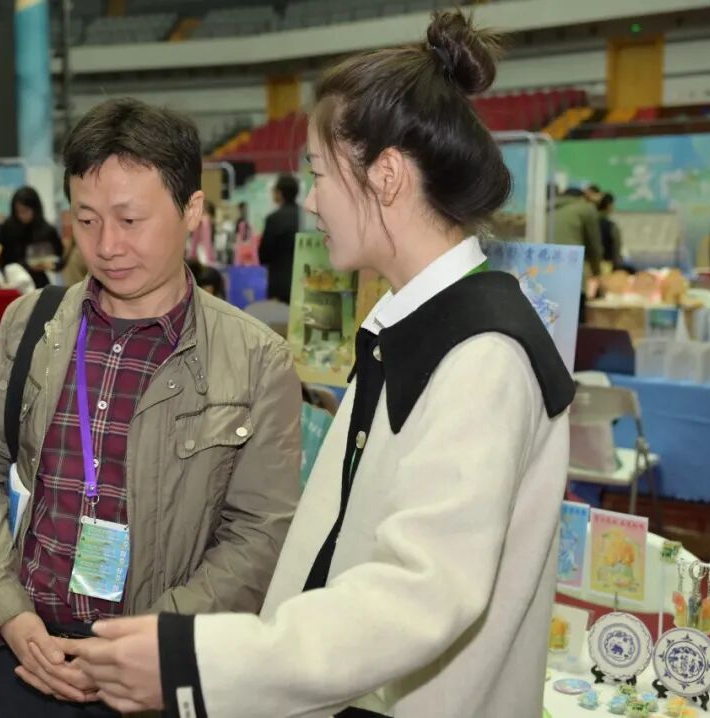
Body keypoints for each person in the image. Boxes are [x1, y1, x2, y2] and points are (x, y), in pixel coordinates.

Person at [58, 11, 576, 718]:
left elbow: (418, 595)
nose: (310, 199)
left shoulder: (482, 354)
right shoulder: (413, 326)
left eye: (319, 173)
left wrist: (197, 660)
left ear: (386, 175)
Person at [0, 97, 302, 718]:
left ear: (192, 209)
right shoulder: (31, 325)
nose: (106, 245)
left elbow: (258, 533)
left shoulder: (255, 360)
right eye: (86, 220)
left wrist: (151, 644)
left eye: (130, 220)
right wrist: (6, 611)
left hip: (157, 677)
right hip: (28, 659)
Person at [553, 186, 603, 322]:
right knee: (575, 324)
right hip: (572, 274)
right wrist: (597, 273)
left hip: (545, 275)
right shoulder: (585, 209)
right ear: (583, 197)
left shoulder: (547, 208)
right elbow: (594, 245)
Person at [0, 186, 63, 287]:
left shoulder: (47, 230)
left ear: (35, 209)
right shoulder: (8, 227)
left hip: (39, 282)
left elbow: (59, 260)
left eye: (25, 211)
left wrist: (49, 265)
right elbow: (2, 259)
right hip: (13, 282)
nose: (21, 215)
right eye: (18, 212)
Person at [259, 174, 301, 302]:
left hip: (279, 283)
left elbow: (264, 255)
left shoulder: (273, 219)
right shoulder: (305, 217)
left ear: (280, 193)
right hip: (302, 279)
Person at [597, 192, 623, 268]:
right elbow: (616, 249)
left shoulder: (588, 222)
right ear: (609, 206)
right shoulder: (611, 226)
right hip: (606, 265)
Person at [187, 200, 217, 265]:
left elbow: (207, 241)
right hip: (201, 249)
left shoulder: (205, 220)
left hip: (203, 250)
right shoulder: (203, 221)